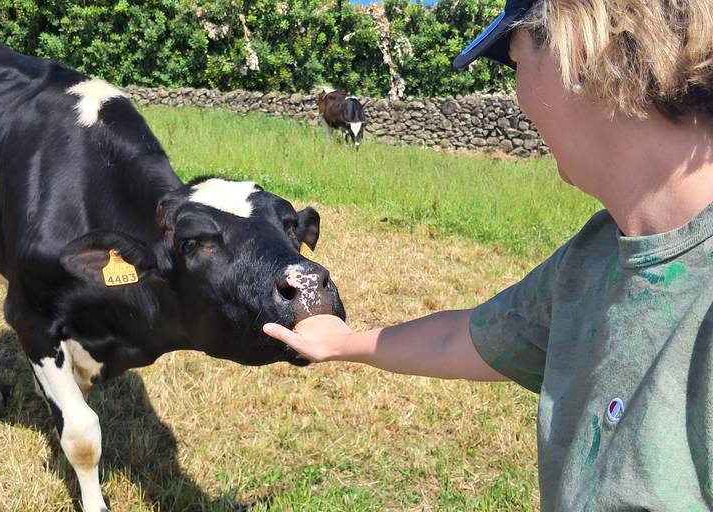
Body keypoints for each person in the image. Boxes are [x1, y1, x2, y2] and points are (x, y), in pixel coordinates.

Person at [265, 0, 713, 509]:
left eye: (517, 62)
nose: (520, 99)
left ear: (579, 50)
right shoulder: (592, 258)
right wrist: (344, 343)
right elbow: (462, 338)